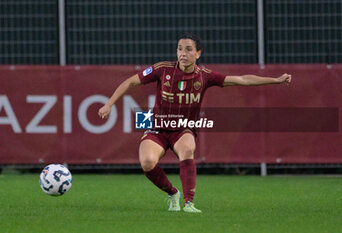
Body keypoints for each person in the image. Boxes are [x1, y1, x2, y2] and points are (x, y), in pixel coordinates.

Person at [98, 34, 292, 213]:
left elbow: (242, 80)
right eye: (180, 48)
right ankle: (173, 193)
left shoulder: (204, 76)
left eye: (189, 49)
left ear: (198, 53)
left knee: (187, 149)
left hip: (183, 129)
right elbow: (130, 82)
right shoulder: (162, 69)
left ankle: (189, 203)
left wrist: (275, 80)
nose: (183, 53)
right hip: (157, 127)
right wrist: (108, 104)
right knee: (147, 162)